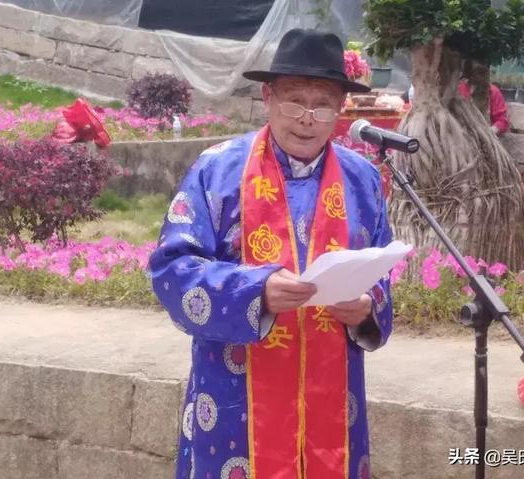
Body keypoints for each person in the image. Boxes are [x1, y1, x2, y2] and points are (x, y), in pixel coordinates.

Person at [149, 28, 394, 479]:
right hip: (235, 396)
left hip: (332, 397)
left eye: (322, 103)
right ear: (267, 96)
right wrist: (254, 290)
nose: (307, 117)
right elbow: (173, 268)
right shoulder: (217, 170)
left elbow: (381, 272)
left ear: (341, 107)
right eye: (294, 100)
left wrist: (366, 306)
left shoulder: (363, 179)